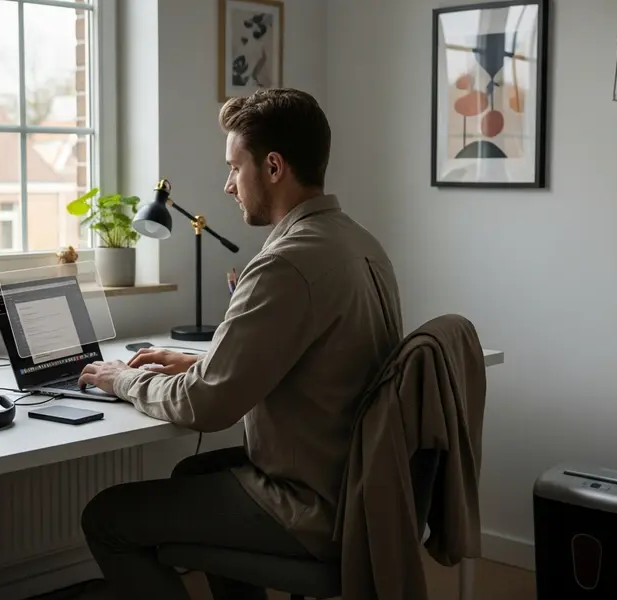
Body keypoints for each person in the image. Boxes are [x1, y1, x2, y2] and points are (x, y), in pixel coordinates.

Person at [77, 88, 403, 600]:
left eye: (234, 167)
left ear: (273, 167)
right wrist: (198, 360)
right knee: (190, 471)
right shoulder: (361, 244)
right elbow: (313, 361)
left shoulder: (284, 264)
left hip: (310, 504)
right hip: (357, 486)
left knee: (106, 518)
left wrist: (124, 379)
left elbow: (205, 406)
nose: (228, 184)